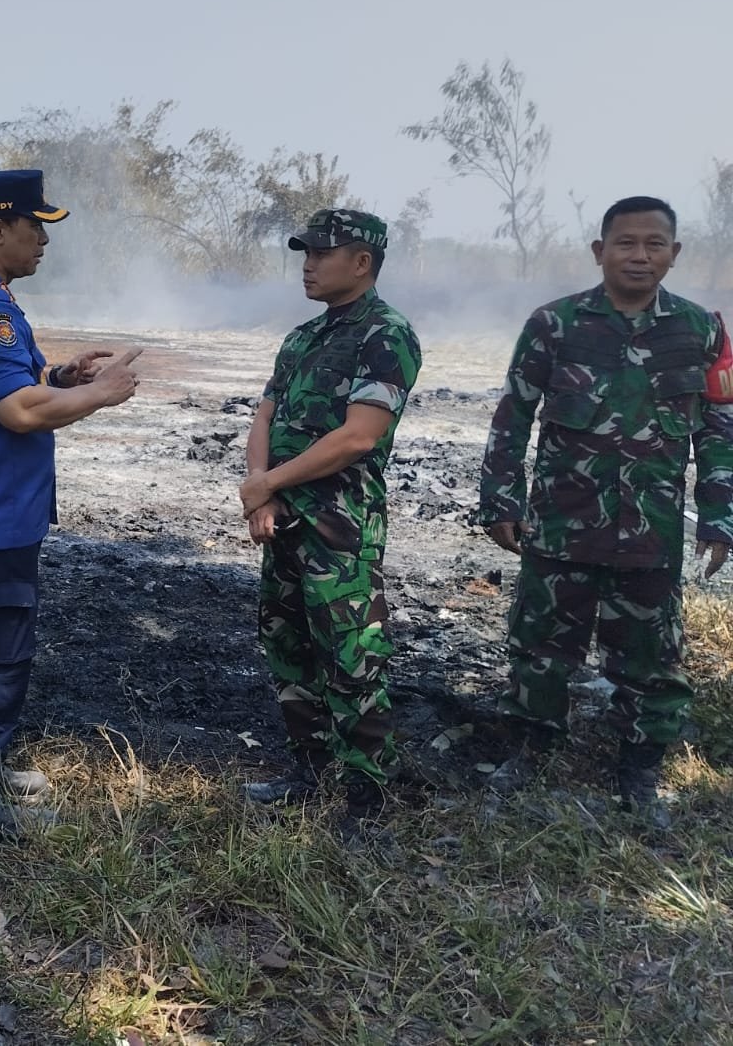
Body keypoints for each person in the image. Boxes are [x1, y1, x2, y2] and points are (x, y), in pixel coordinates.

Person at [478, 196, 733, 828]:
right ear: (600, 251)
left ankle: (639, 768)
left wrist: (720, 517)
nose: (639, 255)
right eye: (625, 242)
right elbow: (513, 416)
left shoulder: (703, 331)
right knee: (539, 647)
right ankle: (531, 749)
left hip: (652, 531)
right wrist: (500, 499)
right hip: (561, 524)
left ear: (674, 255)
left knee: (651, 654)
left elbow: (719, 431)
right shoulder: (554, 324)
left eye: (654, 244)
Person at [0, 170, 141, 843]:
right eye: (34, 225)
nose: (44, 240)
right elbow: (16, 411)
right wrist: (102, 393)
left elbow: (11, 385)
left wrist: (59, 378)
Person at [238, 209, 421, 839]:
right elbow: (264, 417)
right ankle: (308, 769)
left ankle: (367, 793)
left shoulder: (386, 334)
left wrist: (268, 484)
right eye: (305, 254)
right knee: (288, 642)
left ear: (362, 262)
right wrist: (260, 495)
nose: (308, 264)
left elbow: (358, 438)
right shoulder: (301, 338)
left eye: (322, 253)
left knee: (351, 654)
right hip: (284, 521)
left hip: (340, 528)